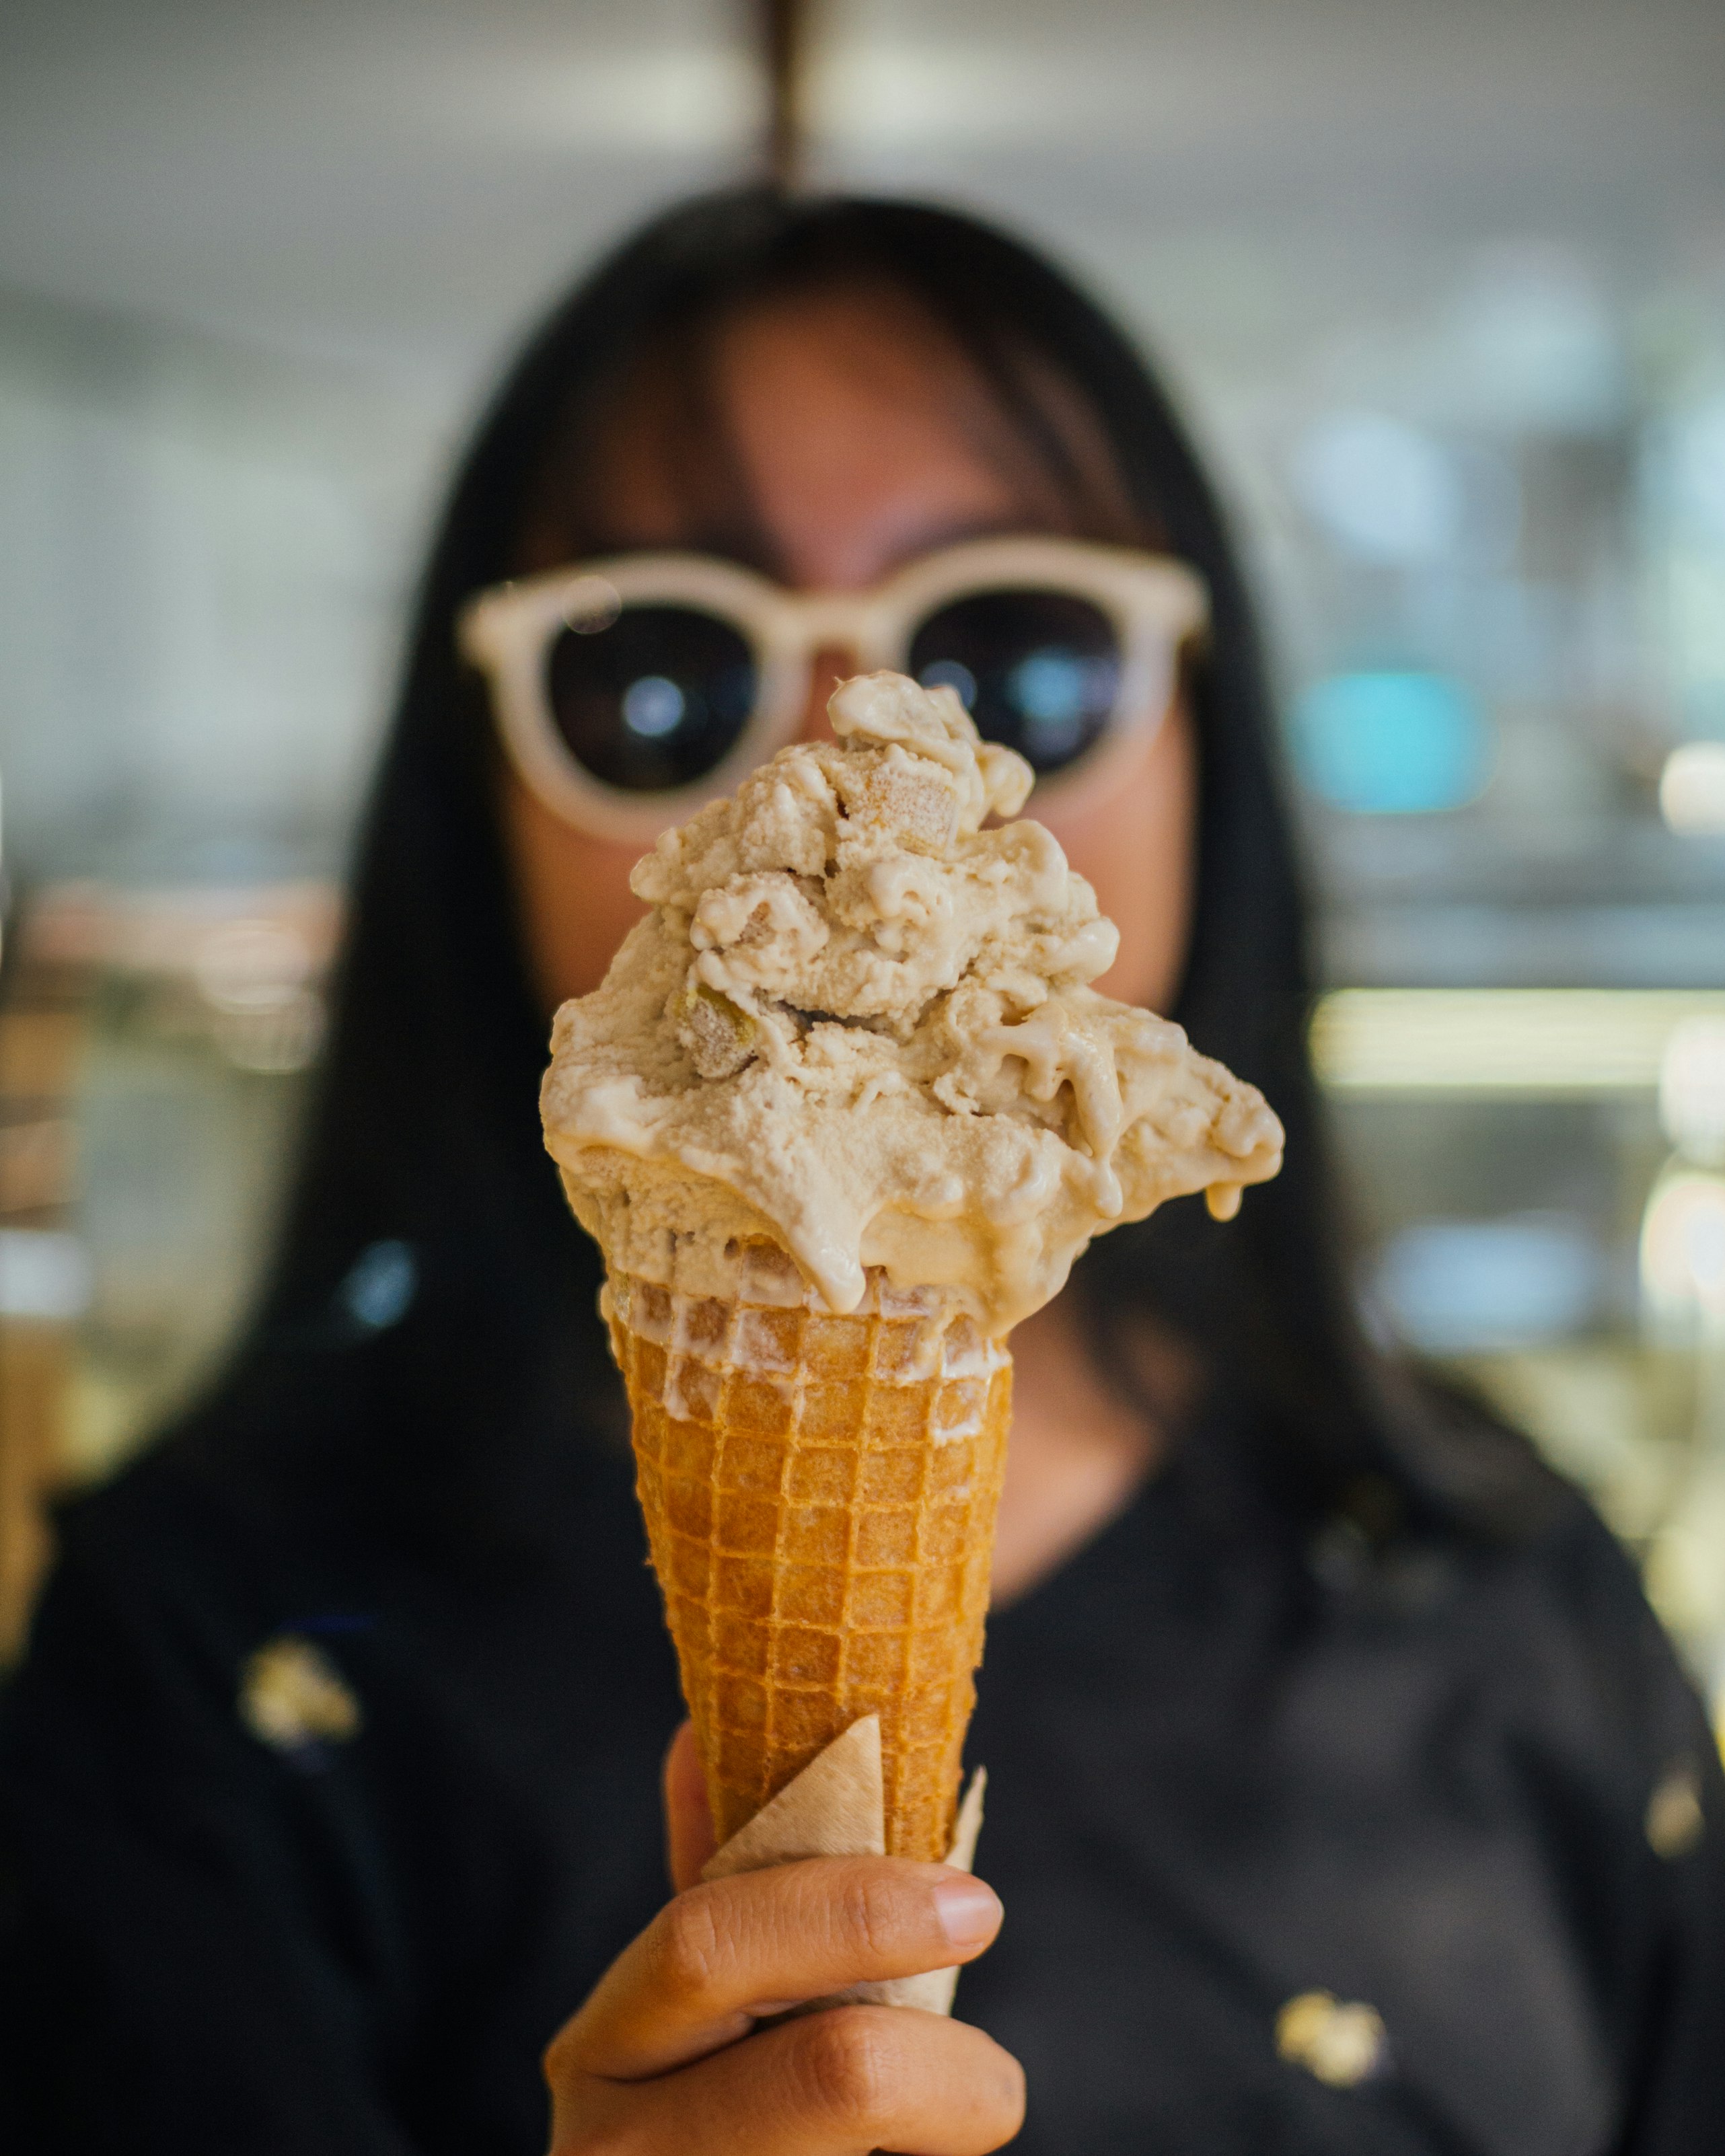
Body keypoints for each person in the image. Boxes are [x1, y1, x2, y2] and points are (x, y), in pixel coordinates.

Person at [2, 188, 1721, 2156]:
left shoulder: (1515, 1593)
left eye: (1016, 648)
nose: (834, 753)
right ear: (466, 805)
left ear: (1204, 748)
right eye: (653, 668)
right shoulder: (201, 1649)